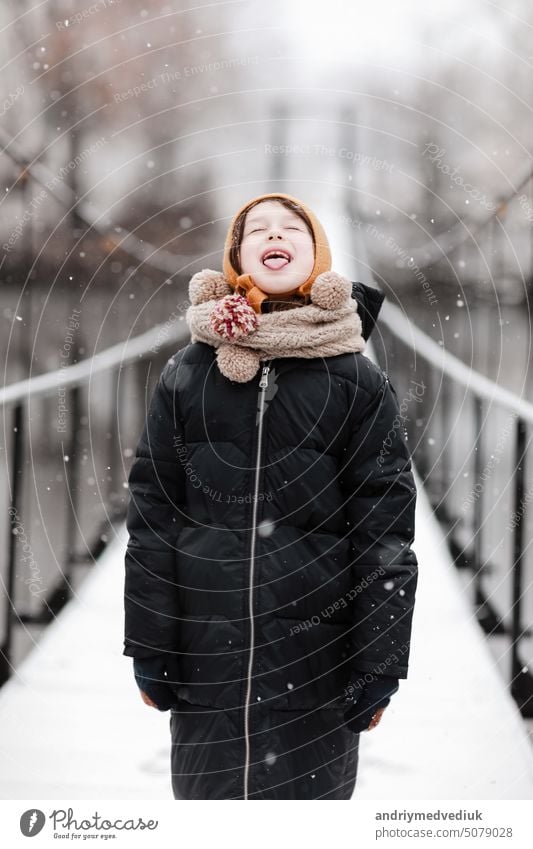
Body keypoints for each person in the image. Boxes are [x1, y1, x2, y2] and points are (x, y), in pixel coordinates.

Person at [123, 192, 418, 800]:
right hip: (208, 650)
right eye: (256, 229)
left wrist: (381, 658)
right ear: (236, 258)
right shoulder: (188, 371)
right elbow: (152, 516)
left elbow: (386, 529)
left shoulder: (357, 380)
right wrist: (150, 641)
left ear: (318, 261)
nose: (273, 235)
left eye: (292, 229)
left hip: (318, 655)